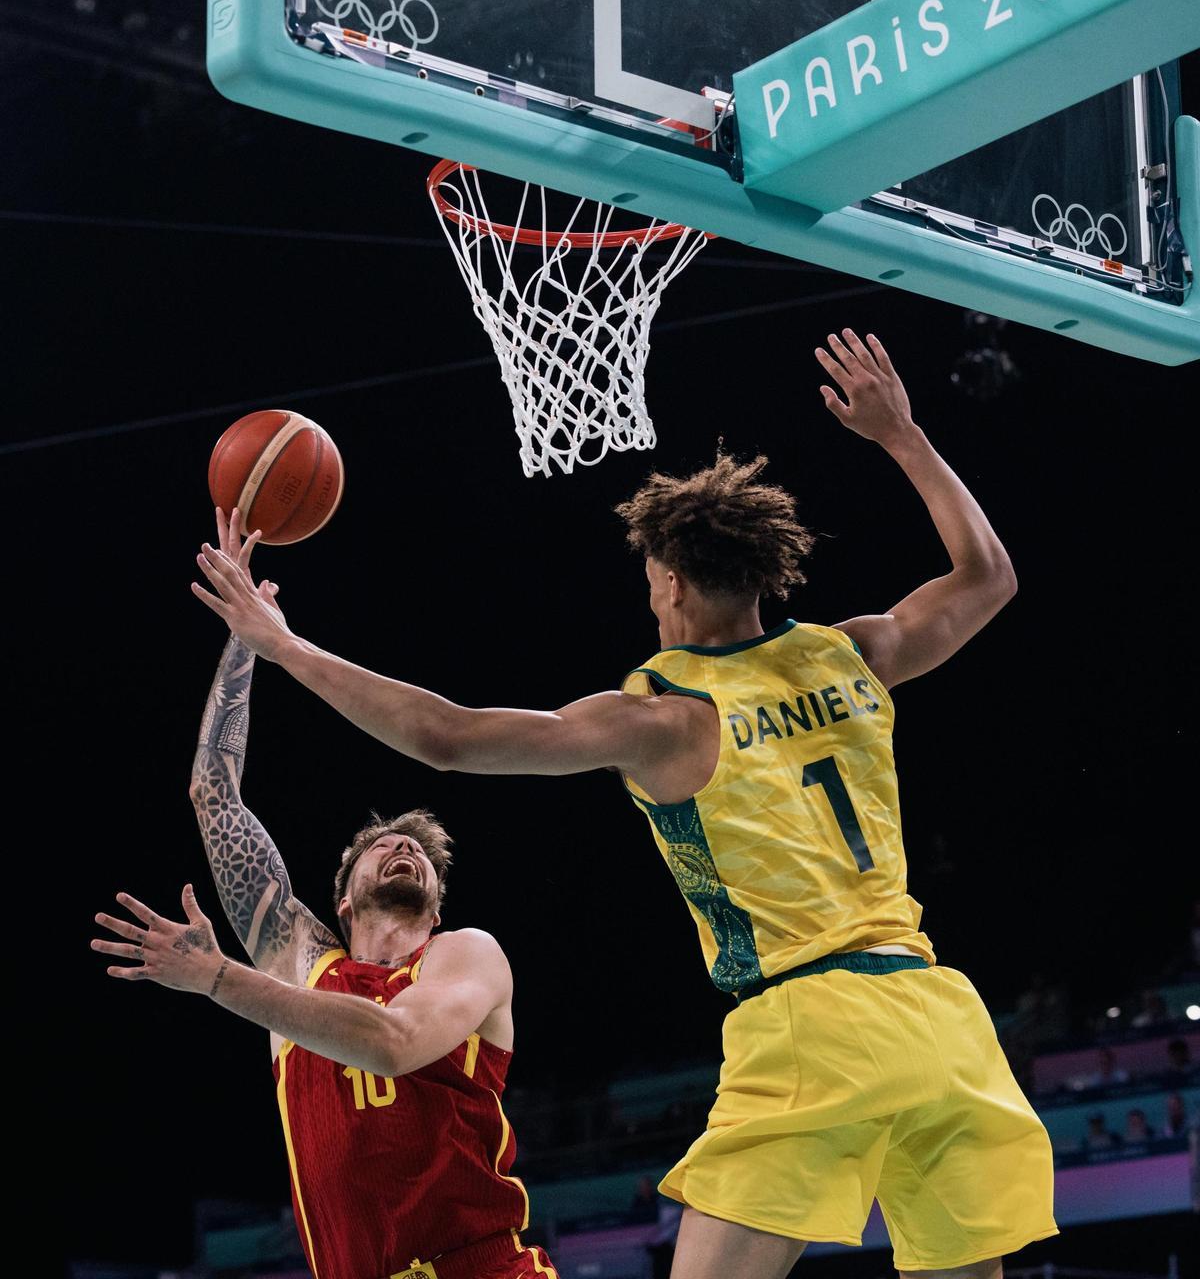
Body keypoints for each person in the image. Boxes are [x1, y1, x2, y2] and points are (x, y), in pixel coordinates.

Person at [192, 330, 1057, 1279]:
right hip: (941, 1017)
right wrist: (902, 436)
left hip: (815, 1023)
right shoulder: (856, 652)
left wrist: (283, 645)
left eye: (651, 589)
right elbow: (989, 577)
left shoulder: (669, 719)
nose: (652, 608)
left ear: (675, 585)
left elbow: (447, 735)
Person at [94, 520, 557, 1279]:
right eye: (386, 844)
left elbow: (394, 1041)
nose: (405, 847)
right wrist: (246, 638)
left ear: (435, 909)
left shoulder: (465, 955)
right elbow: (213, 793)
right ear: (342, 900)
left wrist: (218, 977)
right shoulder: (300, 961)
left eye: (422, 855)